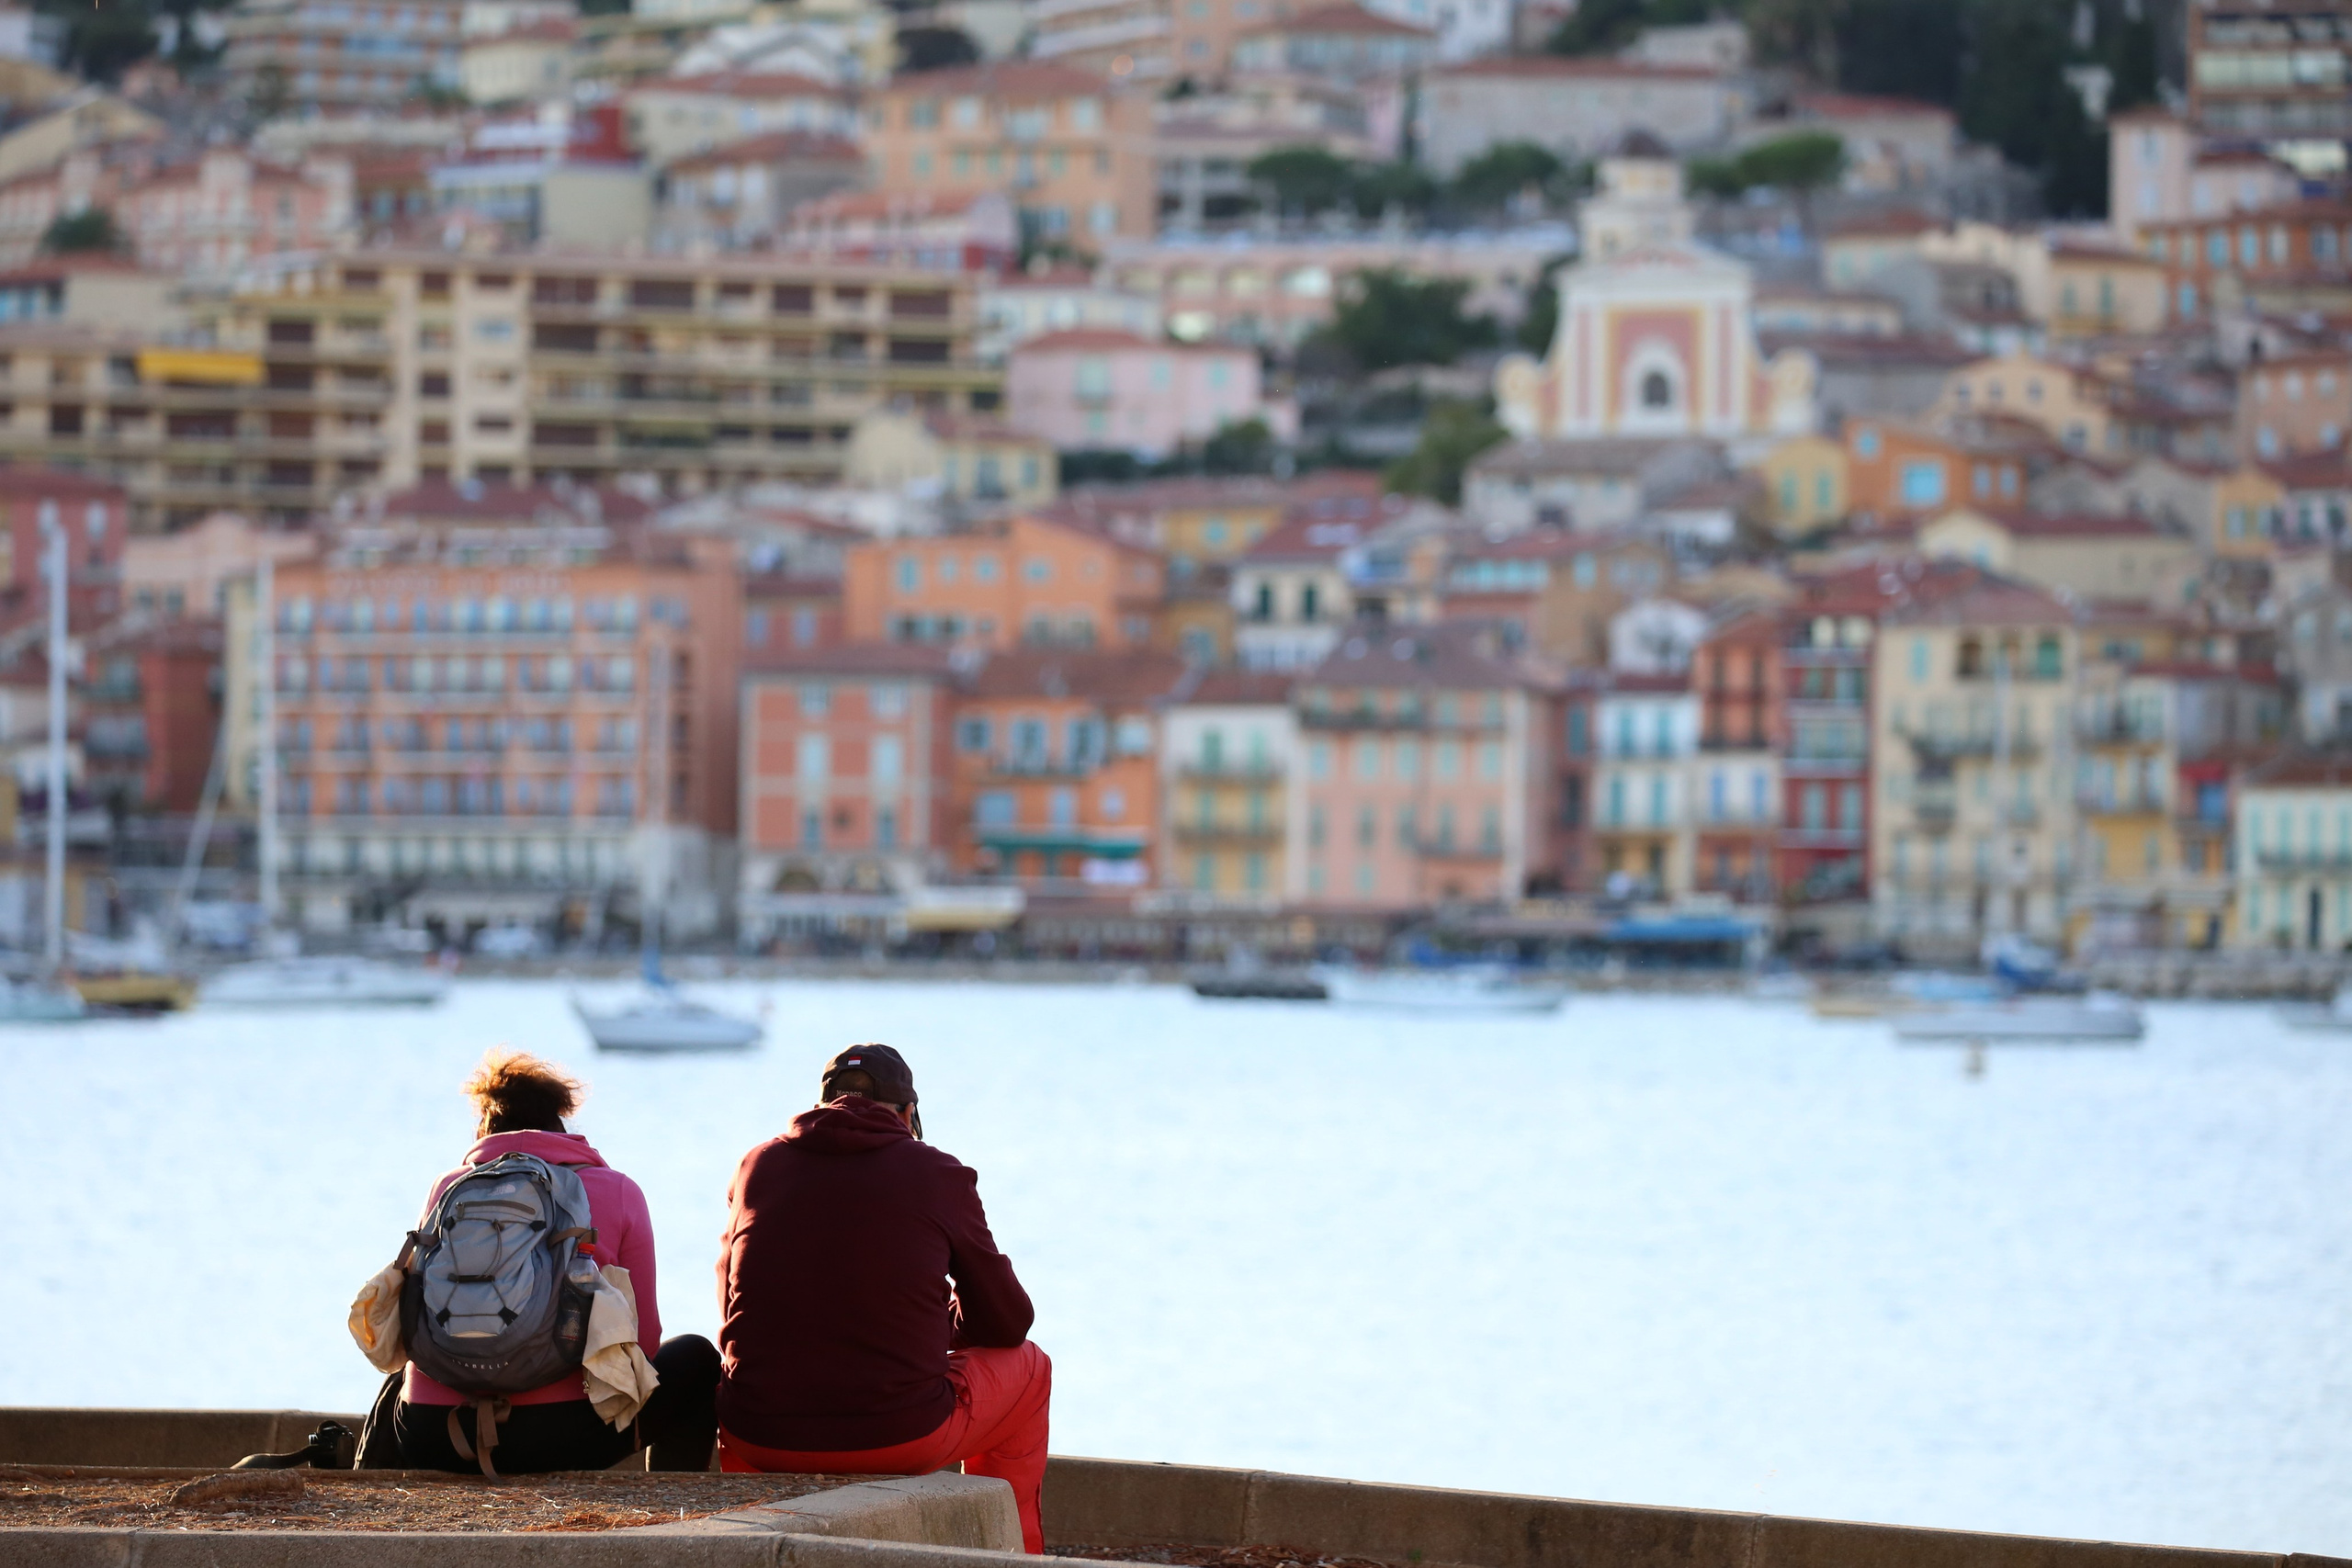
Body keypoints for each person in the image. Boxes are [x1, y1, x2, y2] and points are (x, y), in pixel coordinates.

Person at [716, 1044, 1052, 1552]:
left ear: (823, 1104)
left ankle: (744, 1542)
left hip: (758, 1436)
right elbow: (1007, 1321)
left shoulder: (756, 1165)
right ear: (908, 1112)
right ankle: (1010, 1557)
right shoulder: (936, 1172)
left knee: (745, 1374)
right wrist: (937, 1323)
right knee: (1031, 1367)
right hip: (897, 1436)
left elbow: (732, 1300)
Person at [392, 1049, 720, 1473]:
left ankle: (368, 1491)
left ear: (484, 1131)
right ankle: (673, 1507)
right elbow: (645, 1340)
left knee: (399, 1378)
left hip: (435, 1435)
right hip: (562, 1436)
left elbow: (413, 1318)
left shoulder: (448, 1188)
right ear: (560, 1123)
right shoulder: (617, 1189)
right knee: (695, 1358)